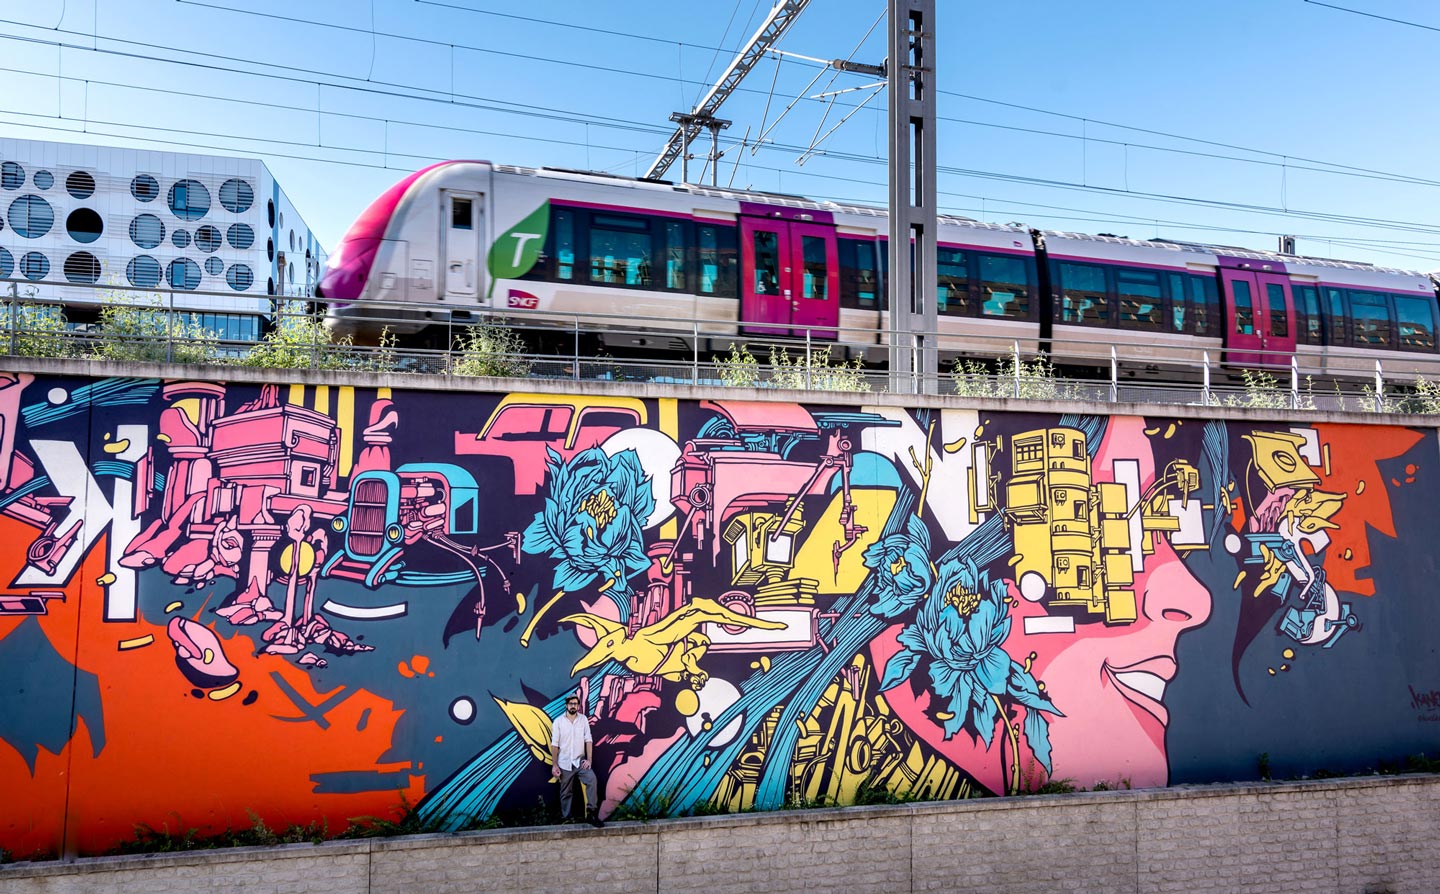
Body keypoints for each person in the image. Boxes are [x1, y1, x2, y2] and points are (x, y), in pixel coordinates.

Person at [550, 694, 603, 827]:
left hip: (580, 761)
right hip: (564, 763)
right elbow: (554, 744)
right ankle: (566, 818)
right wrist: (554, 764)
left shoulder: (583, 719)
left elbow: (588, 740)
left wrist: (589, 760)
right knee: (566, 791)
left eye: (575, 704)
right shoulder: (558, 722)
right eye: (571, 703)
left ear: (578, 706)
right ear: (566, 705)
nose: (573, 706)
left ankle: (591, 814)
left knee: (592, 780)